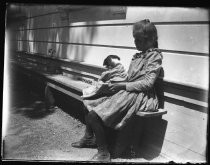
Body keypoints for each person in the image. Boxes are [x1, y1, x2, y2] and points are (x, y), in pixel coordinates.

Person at [71, 19, 163, 162]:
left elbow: (147, 84)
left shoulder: (154, 56)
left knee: (94, 116)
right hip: (130, 91)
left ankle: (103, 153)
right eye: (135, 39)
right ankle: (89, 138)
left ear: (150, 40)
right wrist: (112, 84)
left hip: (141, 96)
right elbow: (131, 78)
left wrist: (121, 86)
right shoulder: (137, 55)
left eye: (138, 40)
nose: (135, 43)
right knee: (88, 100)